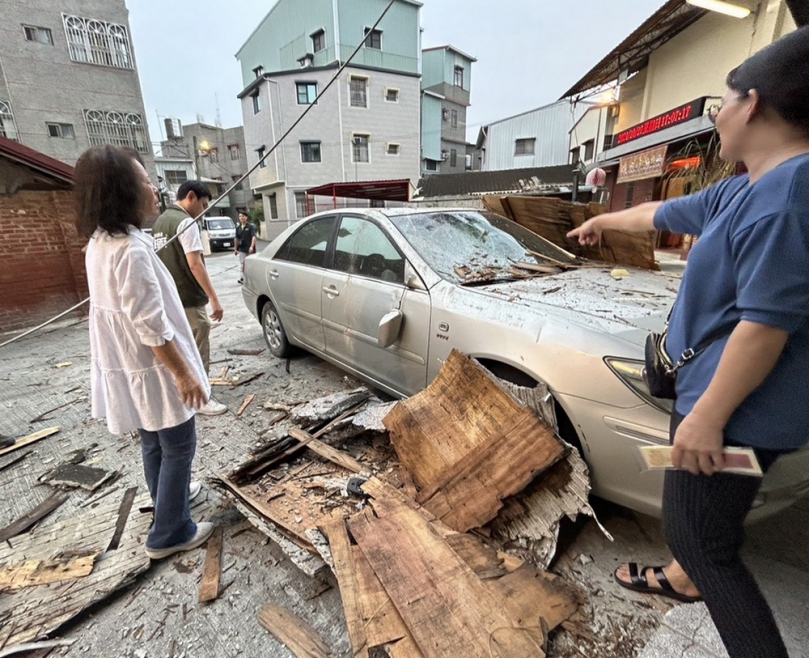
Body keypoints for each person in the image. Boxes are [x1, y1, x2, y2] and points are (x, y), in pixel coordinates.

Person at [568, 27, 809, 658]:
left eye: (717, 104)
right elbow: (661, 216)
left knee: (704, 542)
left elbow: (765, 326)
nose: (715, 117)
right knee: (712, 518)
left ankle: (696, 578)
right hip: (726, 404)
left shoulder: (789, 197)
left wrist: (706, 419)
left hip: (737, 414)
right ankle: (680, 580)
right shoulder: (746, 184)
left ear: (752, 104)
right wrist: (600, 218)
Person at [75, 145, 214, 559]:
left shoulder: (100, 242)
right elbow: (151, 326)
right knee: (179, 445)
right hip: (153, 367)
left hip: (132, 365)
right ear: (121, 192)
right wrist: (184, 374)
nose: (154, 188)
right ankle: (170, 531)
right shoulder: (131, 251)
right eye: (143, 181)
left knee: (154, 441)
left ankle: (167, 499)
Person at [152, 181, 227, 415]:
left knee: (180, 345)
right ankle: (201, 397)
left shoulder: (160, 222)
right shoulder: (186, 222)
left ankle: (183, 391)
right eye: (203, 205)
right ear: (191, 197)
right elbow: (195, 264)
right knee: (198, 341)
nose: (204, 211)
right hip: (187, 295)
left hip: (168, 297)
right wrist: (214, 298)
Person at [234, 211, 257, 284]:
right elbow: (236, 239)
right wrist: (235, 249)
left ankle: (253, 279)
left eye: (243, 216)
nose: (241, 218)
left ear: (246, 217)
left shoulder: (251, 226)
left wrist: (251, 246)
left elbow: (253, 237)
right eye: (240, 216)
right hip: (242, 249)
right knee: (242, 264)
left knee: (251, 264)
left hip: (250, 249)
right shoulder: (238, 228)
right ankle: (242, 278)